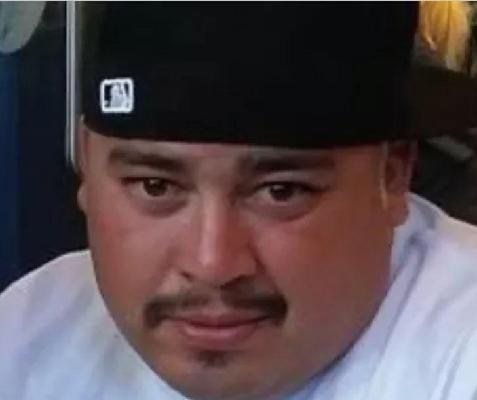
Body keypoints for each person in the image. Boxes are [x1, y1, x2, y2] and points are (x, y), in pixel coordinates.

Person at [1, 3, 477, 400]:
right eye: (155, 187)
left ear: (392, 176)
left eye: (280, 192)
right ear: (86, 165)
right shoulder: (27, 336)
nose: (212, 264)